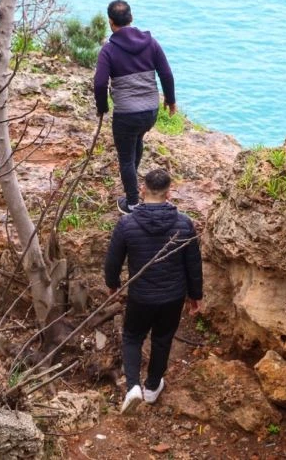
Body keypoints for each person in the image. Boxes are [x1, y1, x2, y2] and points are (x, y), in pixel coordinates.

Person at [103, 168, 203, 414]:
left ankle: (133, 387)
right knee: (162, 338)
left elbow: (113, 261)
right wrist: (195, 296)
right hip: (173, 296)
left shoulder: (127, 223)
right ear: (169, 194)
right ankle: (152, 386)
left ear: (142, 190)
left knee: (132, 337)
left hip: (141, 296)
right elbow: (193, 264)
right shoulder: (183, 223)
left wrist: (113, 285)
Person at [94, 0, 177, 214]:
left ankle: (132, 203)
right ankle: (133, 179)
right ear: (131, 18)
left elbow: (100, 83)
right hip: (150, 112)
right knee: (137, 139)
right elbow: (166, 73)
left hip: (127, 115)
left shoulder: (109, 50)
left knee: (126, 158)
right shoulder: (151, 43)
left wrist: (102, 107)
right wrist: (170, 100)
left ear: (111, 22)